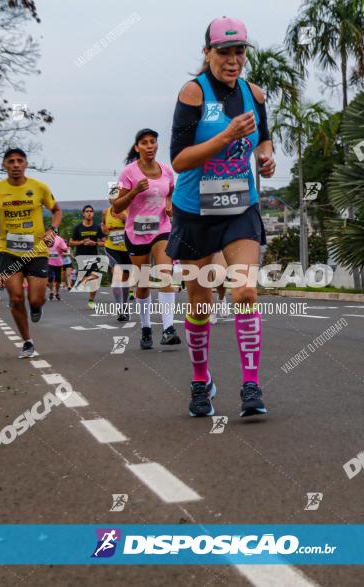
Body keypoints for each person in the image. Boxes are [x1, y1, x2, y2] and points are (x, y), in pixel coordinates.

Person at [167, 17, 275, 417]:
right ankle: (201, 381)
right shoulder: (193, 94)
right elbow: (179, 161)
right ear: (207, 53)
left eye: (239, 52)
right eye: (224, 52)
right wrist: (225, 137)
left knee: (244, 291)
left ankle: (250, 385)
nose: (233, 61)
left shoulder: (255, 94)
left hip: (239, 208)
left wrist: (265, 156)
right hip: (195, 211)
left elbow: (263, 136)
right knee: (200, 303)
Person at [0, 147, 61, 358]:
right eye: (11, 161)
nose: (15, 165)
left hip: (37, 251)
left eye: (19, 161)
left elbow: (57, 210)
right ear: (4, 165)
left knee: (35, 299)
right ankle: (27, 341)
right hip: (9, 251)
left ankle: (37, 307)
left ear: (25, 164)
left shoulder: (39, 187)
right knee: (16, 298)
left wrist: (53, 230)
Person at [111, 128, 180, 350]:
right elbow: (115, 206)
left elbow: (171, 192)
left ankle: (168, 329)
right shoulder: (127, 173)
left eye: (153, 142)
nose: (149, 146)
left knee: (165, 274)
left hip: (162, 229)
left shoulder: (167, 171)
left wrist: (169, 206)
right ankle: (146, 328)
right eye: (144, 143)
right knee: (143, 283)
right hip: (136, 233)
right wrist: (133, 192)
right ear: (137, 147)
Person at [69, 205, 105, 309]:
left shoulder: (97, 227)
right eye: (87, 211)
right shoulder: (78, 227)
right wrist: (82, 242)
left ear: (93, 213)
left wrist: (95, 243)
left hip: (94, 256)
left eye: (91, 211)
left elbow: (105, 242)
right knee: (83, 280)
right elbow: (70, 243)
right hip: (81, 257)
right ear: (83, 213)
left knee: (95, 279)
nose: (89, 213)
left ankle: (91, 300)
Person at [101, 203, 132, 321]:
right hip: (111, 248)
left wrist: (125, 219)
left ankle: (125, 307)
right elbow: (103, 229)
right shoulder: (105, 212)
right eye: (111, 198)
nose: (114, 200)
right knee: (117, 274)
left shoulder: (128, 209)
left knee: (126, 280)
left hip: (127, 249)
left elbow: (136, 225)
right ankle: (119, 309)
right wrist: (104, 229)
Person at [47, 232, 70, 301]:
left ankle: (56, 293)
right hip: (49, 262)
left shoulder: (60, 239)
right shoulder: (47, 238)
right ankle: (51, 292)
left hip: (58, 263)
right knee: (50, 278)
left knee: (58, 279)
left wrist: (60, 247)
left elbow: (66, 249)